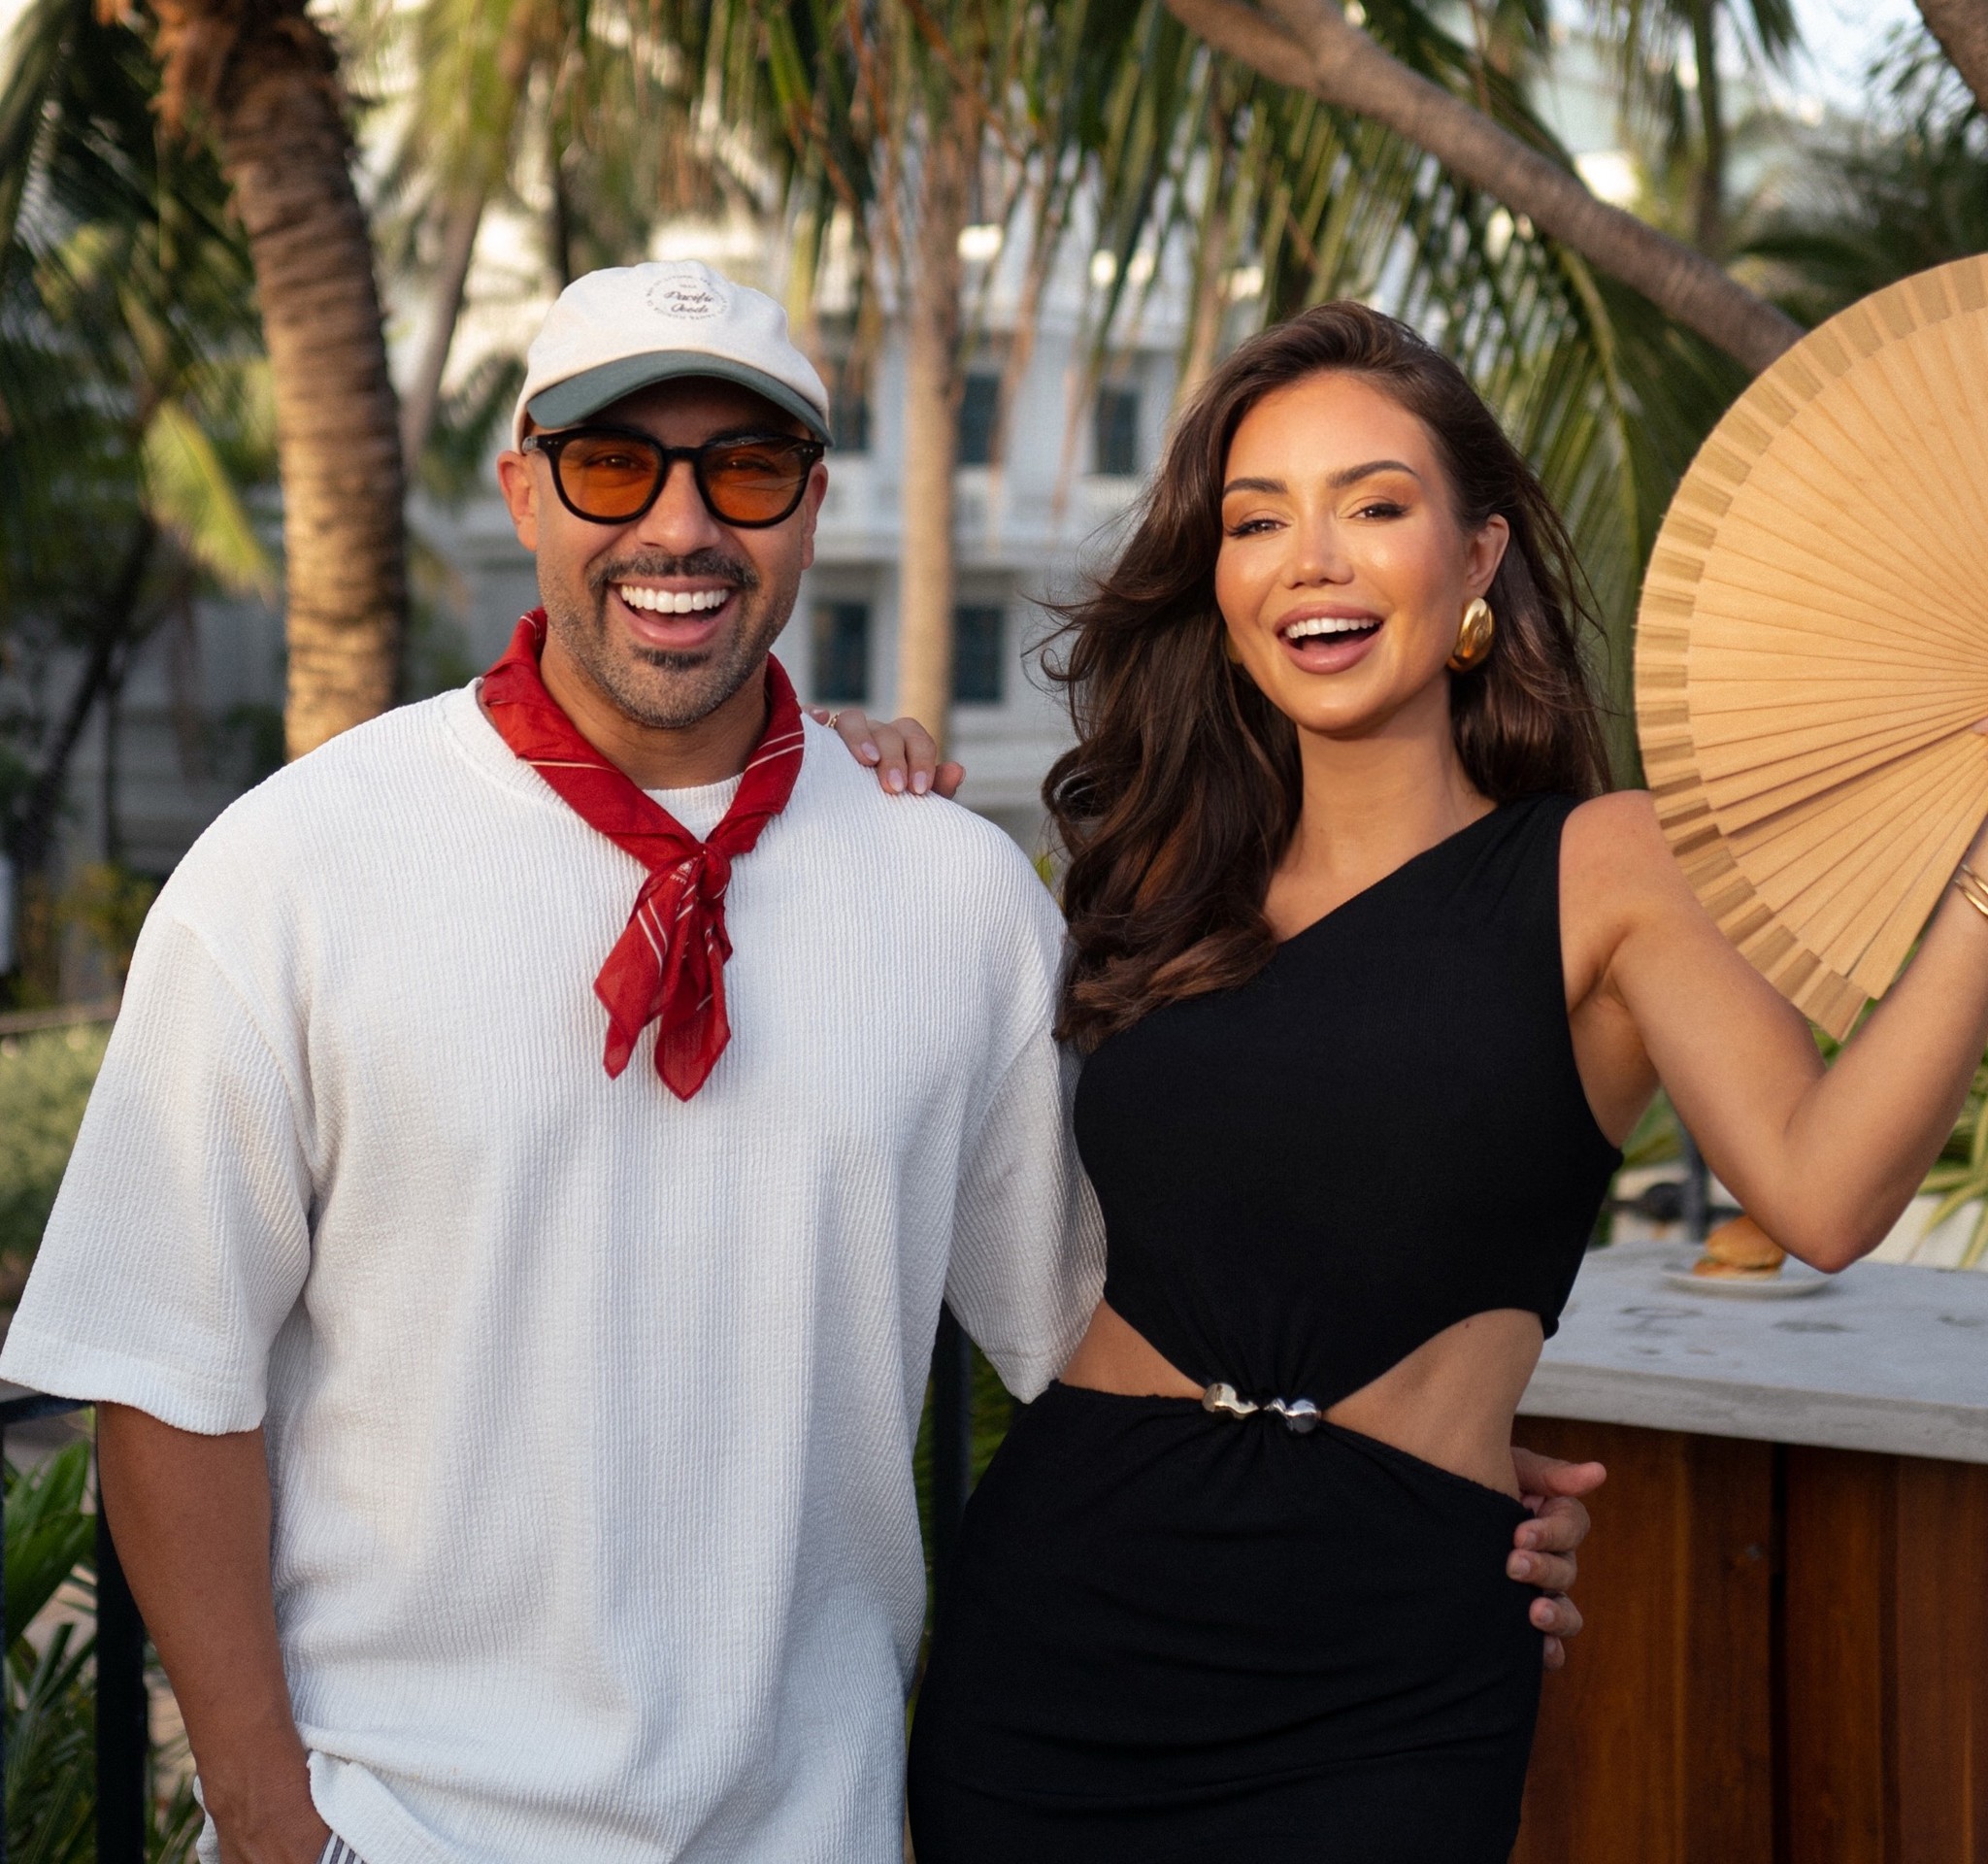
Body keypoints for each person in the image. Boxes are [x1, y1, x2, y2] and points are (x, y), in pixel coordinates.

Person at [0, 265, 1596, 1864]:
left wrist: (1425, 1457)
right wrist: (274, 1828)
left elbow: (1130, 1331)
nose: (680, 527)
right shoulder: (291, 872)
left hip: (822, 1831)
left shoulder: (950, 894)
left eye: (745, 469)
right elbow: (167, 1379)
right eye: (614, 463)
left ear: (811, 508)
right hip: (398, 1831)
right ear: (524, 488)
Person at [834, 302, 1988, 1862]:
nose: (1310, 557)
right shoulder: (1159, 868)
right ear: (1222, 583)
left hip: (1389, 1672)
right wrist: (832, 777)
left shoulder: (1610, 868)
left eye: (1372, 505)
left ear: (1478, 559)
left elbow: (1830, 1194)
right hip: (1061, 1622)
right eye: (1258, 519)